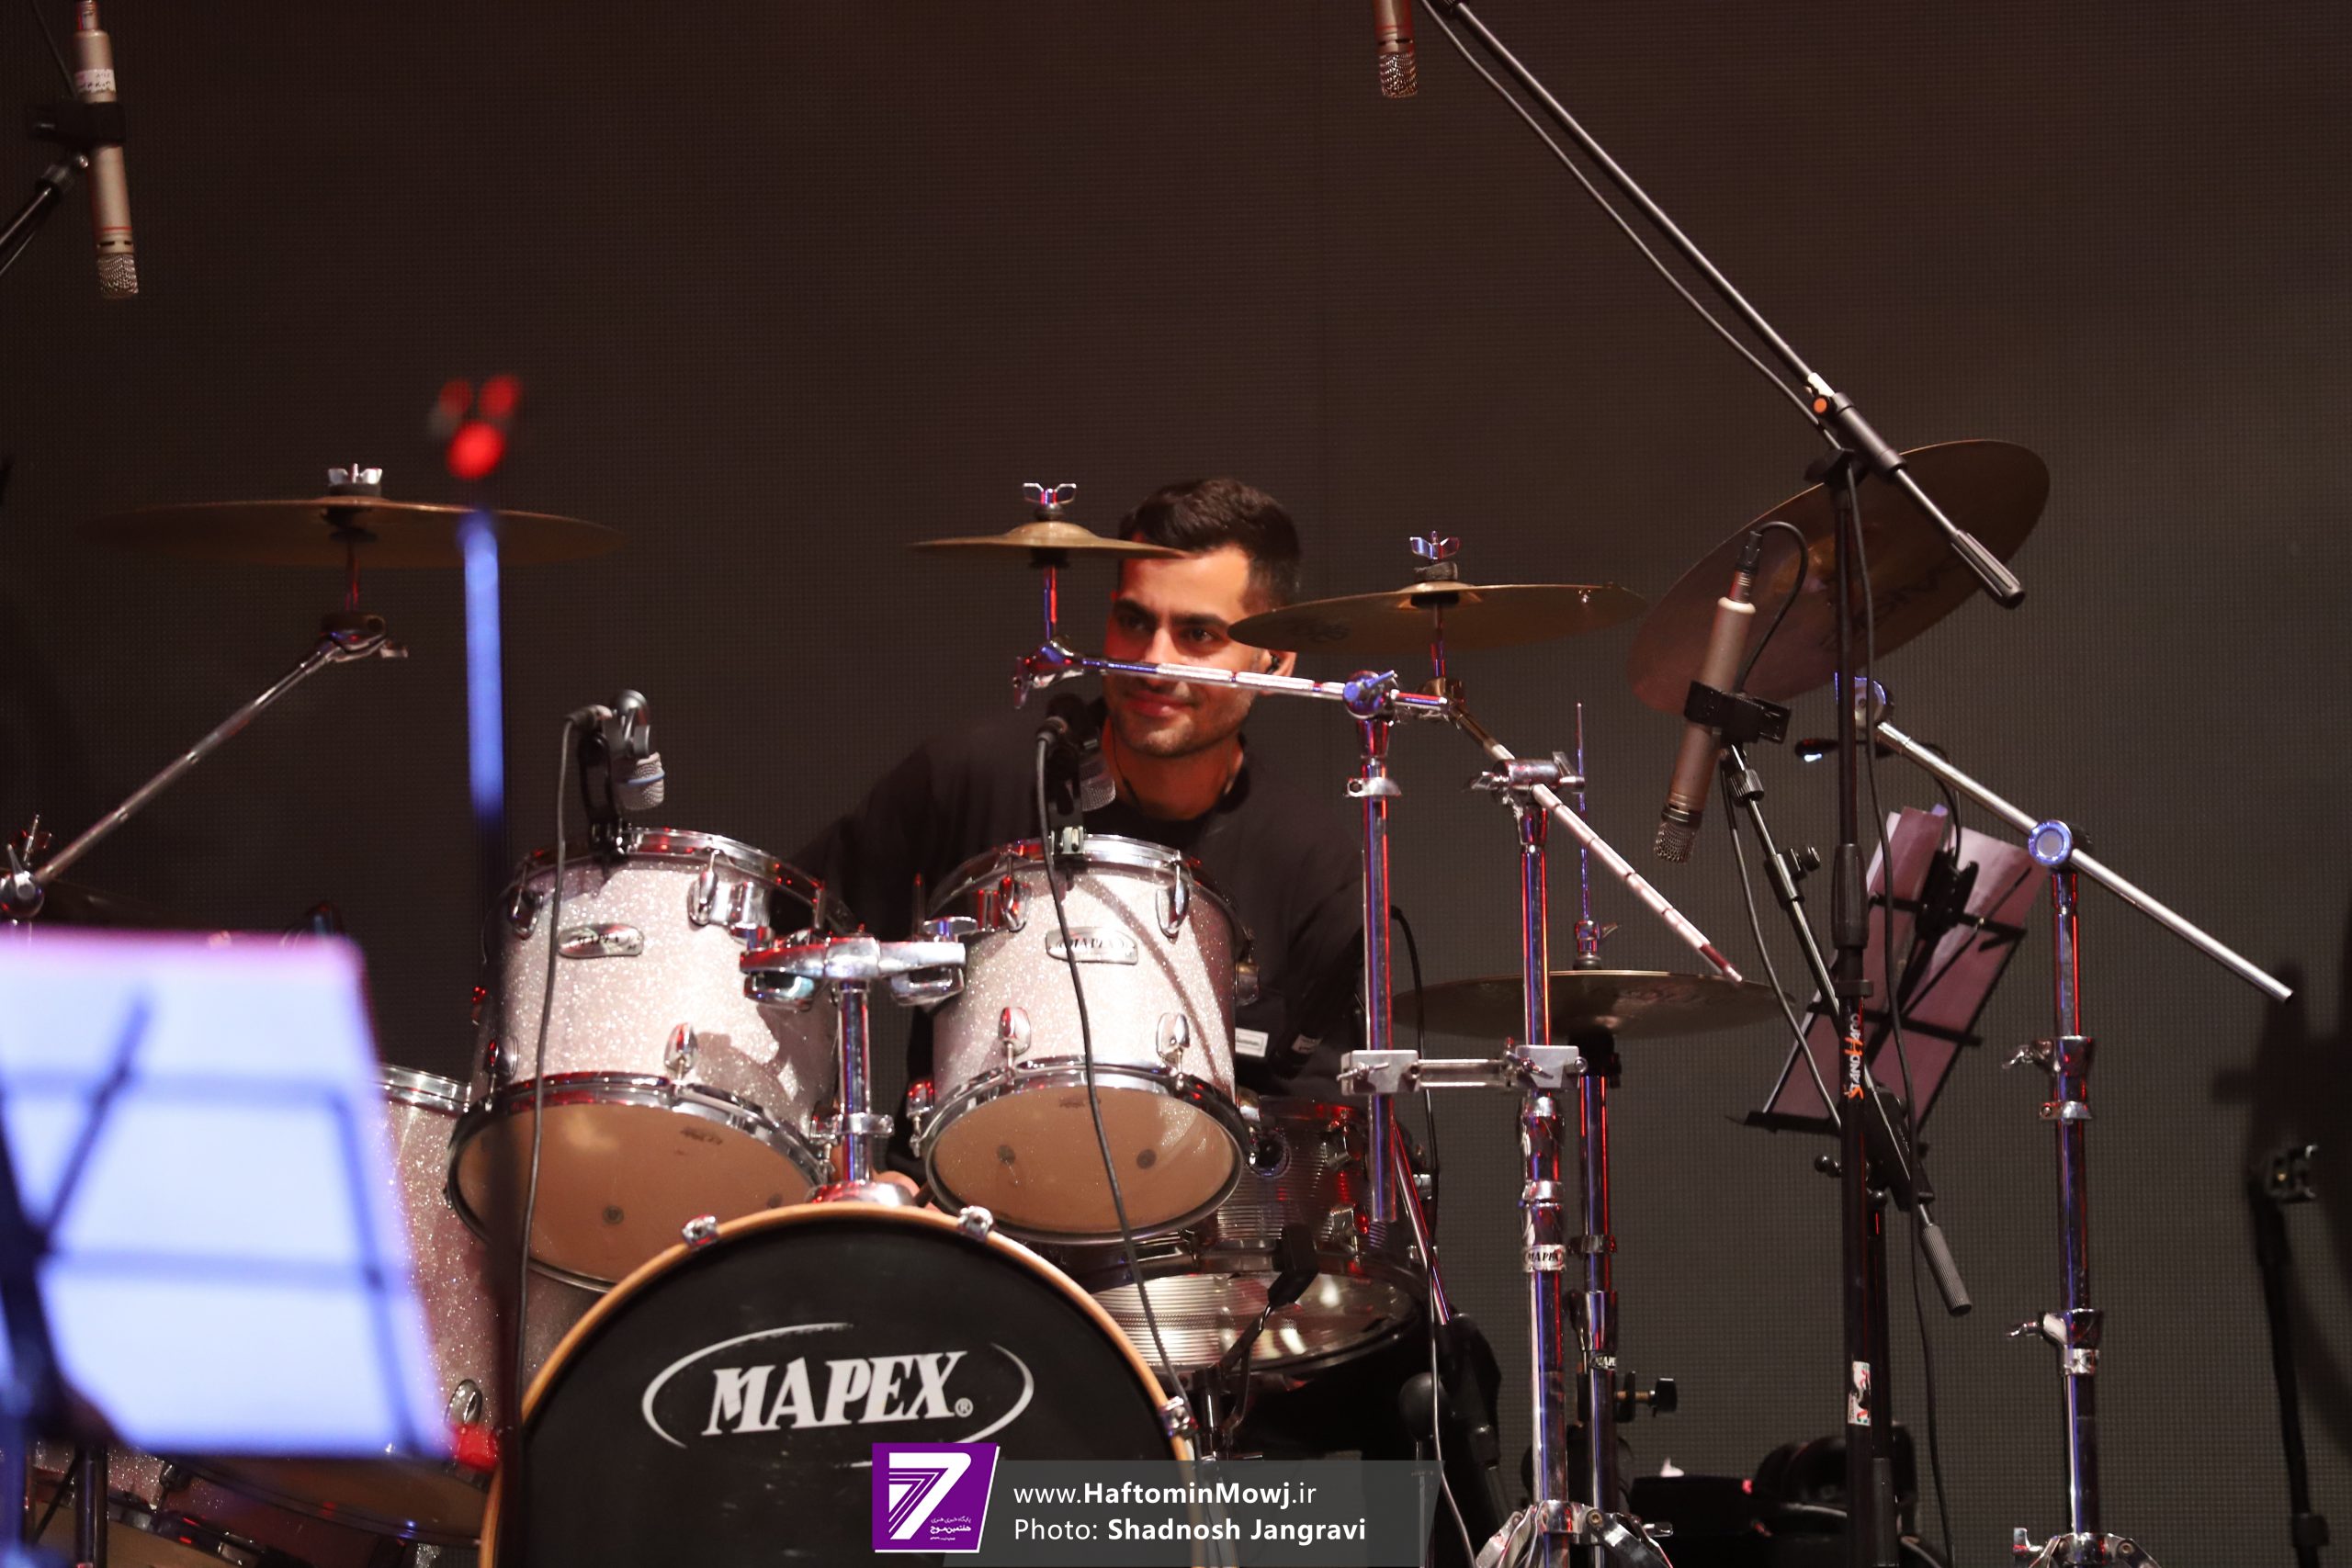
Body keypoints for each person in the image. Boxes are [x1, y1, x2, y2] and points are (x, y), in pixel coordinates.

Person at [793, 476, 1364, 1104]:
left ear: (1276, 659)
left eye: (1198, 634)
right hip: (953, 1170)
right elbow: (778, 939)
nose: (1152, 661)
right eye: (1134, 621)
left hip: (1200, 1172)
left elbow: (1323, 1121)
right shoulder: (972, 774)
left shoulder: (1311, 862)